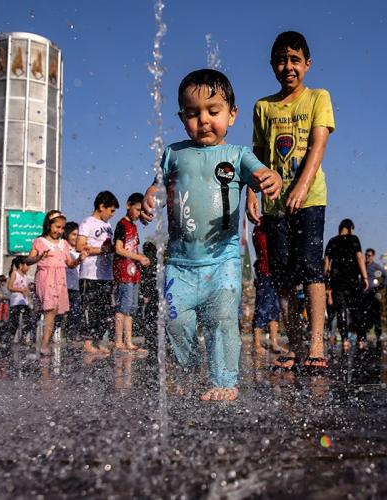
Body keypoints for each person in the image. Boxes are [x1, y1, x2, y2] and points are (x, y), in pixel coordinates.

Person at [142, 68, 282, 401]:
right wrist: (151, 196)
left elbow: (259, 171)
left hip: (223, 260)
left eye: (213, 111)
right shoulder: (174, 153)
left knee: (222, 319)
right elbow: (159, 186)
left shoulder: (237, 154)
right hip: (180, 264)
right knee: (174, 322)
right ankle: (189, 368)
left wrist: (269, 177)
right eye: (193, 114)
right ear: (181, 117)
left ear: (232, 115)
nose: (203, 120)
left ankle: (225, 380)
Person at [245, 31, 336, 372]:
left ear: (307, 64)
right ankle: (296, 345)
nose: (288, 67)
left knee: (311, 267)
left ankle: (316, 345)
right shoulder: (263, 107)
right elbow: (256, 156)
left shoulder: (318, 98)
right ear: (272, 65)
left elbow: (318, 146)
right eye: (281, 60)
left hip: (310, 198)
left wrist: (300, 186)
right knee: (281, 275)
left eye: (295, 60)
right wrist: (251, 193)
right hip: (273, 204)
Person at [27, 210, 83, 356]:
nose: (60, 231)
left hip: (60, 278)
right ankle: (44, 344)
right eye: (57, 227)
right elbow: (28, 260)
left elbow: (70, 264)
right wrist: (39, 257)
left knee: (55, 311)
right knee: (50, 310)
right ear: (49, 225)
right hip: (46, 277)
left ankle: (44, 341)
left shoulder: (63, 244)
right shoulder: (40, 241)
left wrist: (79, 260)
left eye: (62, 228)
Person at [77, 192, 119, 355]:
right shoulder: (87, 222)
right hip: (90, 273)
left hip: (106, 274)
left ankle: (100, 340)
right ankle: (88, 342)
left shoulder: (108, 226)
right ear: (101, 207)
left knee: (105, 310)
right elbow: (80, 246)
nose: (112, 214)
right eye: (111, 210)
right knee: (90, 309)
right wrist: (102, 249)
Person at [112, 193, 151, 352]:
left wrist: (142, 258)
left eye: (141, 210)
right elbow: (119, 249)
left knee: (131, 308)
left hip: (134, 273)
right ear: (128, 205)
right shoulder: (121, 225)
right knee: (123, 308)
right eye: (136, 209)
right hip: (123, 272)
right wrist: (139, 257)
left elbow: (134, 248)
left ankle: (128, 341)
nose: (138, 213)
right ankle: (118, 341)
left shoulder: (134, 227)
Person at [324, 219, 369, 350]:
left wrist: (326, 279)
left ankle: (344, 340)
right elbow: (360, 257)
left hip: (337, 280)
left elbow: (326, 262)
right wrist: (365, 277)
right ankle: (361, 339)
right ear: (350, 228)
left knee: (341, 310)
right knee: (357, 310)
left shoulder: (332, 241)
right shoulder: (353, 239)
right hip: (352, 280)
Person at [251, 216, 285, 355]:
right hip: (265, 271)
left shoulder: (270, 223)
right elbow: (264, 249)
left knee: (275, 307)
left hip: (275, 271)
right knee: (263, 306)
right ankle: (257, 343)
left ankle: (274, 342)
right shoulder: (262, 225)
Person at [62, 221, 86, 342]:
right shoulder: (63, 248)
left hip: (74, 286)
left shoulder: (77, 250)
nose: (76, 237)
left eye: (78, 235)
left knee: (76, 311)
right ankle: (51, 335)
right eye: (73, 234)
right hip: (63, 286)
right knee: (60, 313)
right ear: (66, 234)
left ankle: (72, 335)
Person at [2, 256, 33, 349]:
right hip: (15, 302)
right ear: (20, 265)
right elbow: (9, 287)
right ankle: (8, 341)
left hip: (24, 302)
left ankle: (23, 337)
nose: (29, 267)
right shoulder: (15, 273)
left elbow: (26, 290)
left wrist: (28, 293)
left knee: (30, 321)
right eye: (27, 265)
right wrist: (21, 290)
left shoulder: (26, 276)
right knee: (14, 323)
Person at [362, 248, 387, 343]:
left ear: (373, 256)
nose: (367, 257)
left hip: (373, 294)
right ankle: (363, 336)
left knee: (376, 314)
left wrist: (380, 287)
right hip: (364, 294)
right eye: (366, 255)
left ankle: (379, 334)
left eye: (369, 255)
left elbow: (386, 276)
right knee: (364, 315)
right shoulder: (363, 266)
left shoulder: (376, 267)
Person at [138, 241, 159, 351]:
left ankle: (149, 340)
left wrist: (143, 294)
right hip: (157, 293)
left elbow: (144, 279)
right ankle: (157, 340)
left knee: (149, 317)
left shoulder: (146, 261)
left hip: (149, 293)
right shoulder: (157, 260)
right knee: (156, 317)